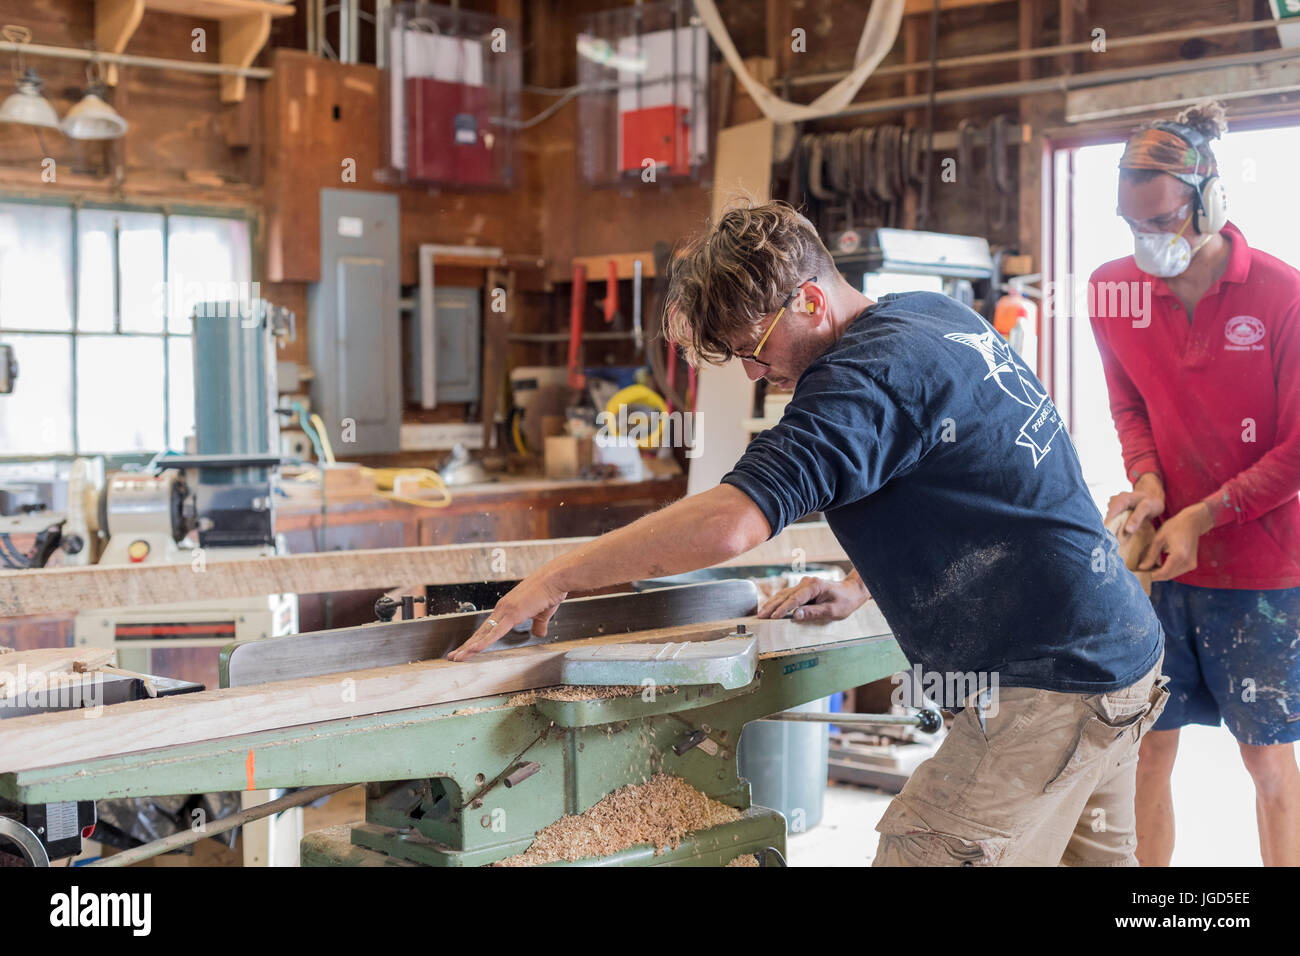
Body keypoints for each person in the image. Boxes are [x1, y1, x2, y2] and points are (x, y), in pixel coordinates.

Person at [450, 199, 1167, 866]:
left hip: (1046, 690)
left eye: (756, 348)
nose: (759, 374)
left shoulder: (859, 380)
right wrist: (861, 587)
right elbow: (979, 482)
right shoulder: (928, 317)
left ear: (812, 300)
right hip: (1120, 658)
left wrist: (558, 575)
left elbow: (732, 523)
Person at [1089, 102, 1300, 866]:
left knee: (1265, 761)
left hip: (1262, 566)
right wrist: (1147, 484)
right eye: (1132, 225)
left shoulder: (1283, 295)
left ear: (1210, 201)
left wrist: (1204, 517)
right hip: (1161, 567)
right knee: (1149, 748)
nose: (1147, 245)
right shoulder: (1112, 290)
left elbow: (1297, 448)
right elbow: (1129, 404)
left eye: (1163, 222)